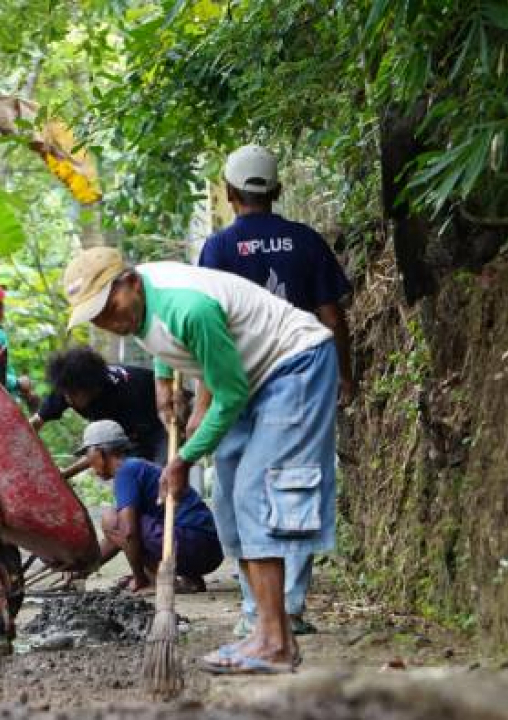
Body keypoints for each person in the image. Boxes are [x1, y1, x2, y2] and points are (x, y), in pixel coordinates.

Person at [63, 246, 337, 674]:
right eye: (94, 316)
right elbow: (165, 342)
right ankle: (268, 631)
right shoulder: (138, 307)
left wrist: (185, 459)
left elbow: (229, 395)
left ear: (130, 282)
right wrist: (162, 381)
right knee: (228, 503)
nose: (107, 322)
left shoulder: (189, 308)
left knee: (255, 493)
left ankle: (276, 643)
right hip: (252, 374)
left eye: (107, 307)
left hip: (293, 364)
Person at [197, 144, 355, 638]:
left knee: (237, 489)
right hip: (298, 380)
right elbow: (333, 317)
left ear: (228, 192)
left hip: (237, 384)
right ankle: (289, 606)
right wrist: (345, 374)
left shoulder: (219, 249)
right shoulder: (306, 241)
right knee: (294, 484)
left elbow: (208, 328)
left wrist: (202, 398)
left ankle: (254, 611)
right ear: (278, 190)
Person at [78, 420, 221, 593]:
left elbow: (128, 532)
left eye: (88, 454)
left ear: (99, 452)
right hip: (208, 549)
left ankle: (152, 581)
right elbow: (114, 539)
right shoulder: (136, 467)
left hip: (193, 544)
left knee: (112, 520)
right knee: (118, 524)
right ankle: (190, 580)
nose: (88, 462)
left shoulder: (126, 471)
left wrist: (140, 578)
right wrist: (81, 570)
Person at [30, 346, 168, 463]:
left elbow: (125, 446)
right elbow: (35, 422)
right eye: (66, 394)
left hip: (159, 420)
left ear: (94, 389)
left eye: (73, 394)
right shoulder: (67, 386)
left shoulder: (124, 395)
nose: (69, 399)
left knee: (156, 473)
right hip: (135, 430)